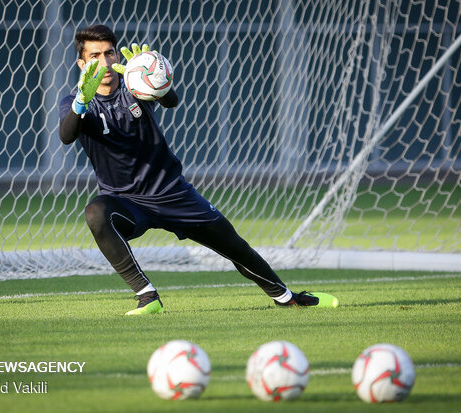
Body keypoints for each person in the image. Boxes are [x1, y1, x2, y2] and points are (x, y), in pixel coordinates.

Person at [59, 24, 338, 315]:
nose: (104, 63)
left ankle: (287, 298)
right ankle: (147, 296)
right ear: (82, 63)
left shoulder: (134, 84)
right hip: (126, 202)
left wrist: (155, 79)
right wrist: (81, 102)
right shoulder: (76, 103)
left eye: (109, 53)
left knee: (235, 247)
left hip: (172, 193)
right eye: (94, 56)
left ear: (116, 53)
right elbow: (67, 135)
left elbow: (171, 101)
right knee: (96, 213)